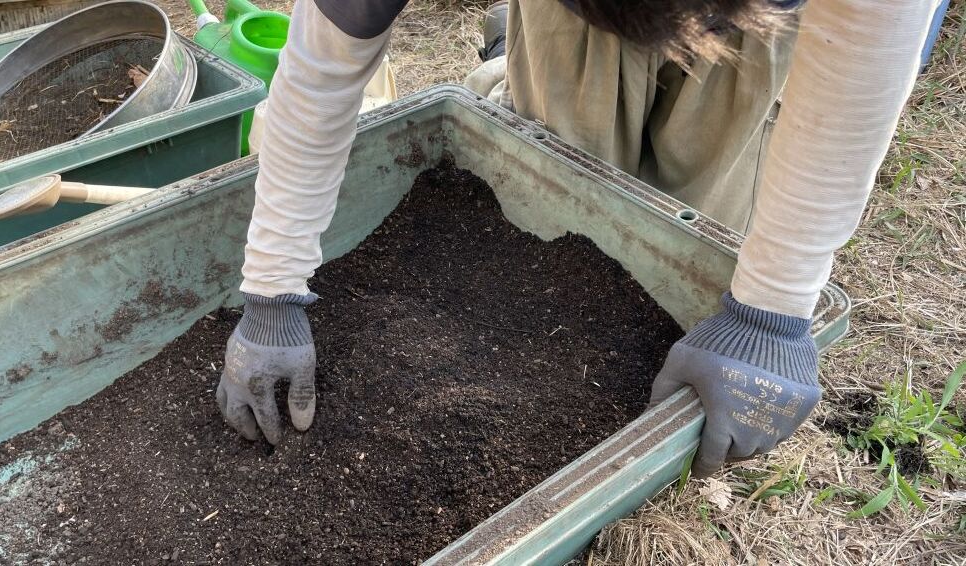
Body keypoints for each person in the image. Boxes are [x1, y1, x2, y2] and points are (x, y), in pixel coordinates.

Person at [215, 0, 939, 478]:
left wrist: (772, 308)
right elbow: (318, 74)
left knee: (692, 212)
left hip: (769, 19)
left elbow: (869, 43)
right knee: (558, 184)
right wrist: (274, 288)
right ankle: (512, 50)